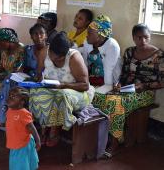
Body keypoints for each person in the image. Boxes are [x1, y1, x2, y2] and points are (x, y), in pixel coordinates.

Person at [93, 24, 164, 153]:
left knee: (116, 103)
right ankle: (103, 135)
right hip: (127, 89)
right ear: (133, 38)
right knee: (99, 96)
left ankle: (115, 142)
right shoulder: (130, 52)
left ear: (150, 37)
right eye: (139, 38)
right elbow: (124, 74)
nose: (143, 41)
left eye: (146, 37)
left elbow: (162, 82)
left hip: (145, 93)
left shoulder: (158, 56)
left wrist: (144, 86)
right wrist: (119, 84)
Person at [29, 32, 94, 147]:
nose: (55, 60)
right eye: (53, 56)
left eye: (59, 58)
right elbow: (39, 75)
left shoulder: (74, 57)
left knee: (61, 95)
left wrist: (64, 85)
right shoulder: (44, 52)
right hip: (53, 89)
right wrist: (36, 82)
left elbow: (85, 85)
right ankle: (44, 128)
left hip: (77, 93)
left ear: (65, 54)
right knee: (36, 93)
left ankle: (56, 130)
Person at [0, 23, 48, 124]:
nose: (38, 36)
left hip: (43, 79)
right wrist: (19, 73)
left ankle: (16, 120)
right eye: (35, 34)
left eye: (41, 33)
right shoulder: (28, 49)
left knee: (17, 89)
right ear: (31, 36)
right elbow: (22, 66)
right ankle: (3, 118)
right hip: (28, 78)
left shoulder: (50, 50)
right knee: (9, 79)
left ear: (46, 35)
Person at [0, 87, 40, 170]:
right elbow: (9, 123)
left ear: (21, 102)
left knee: (19, 165)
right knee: (22, 163)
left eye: (13, 96)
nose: (10, 98)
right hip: (15, 142)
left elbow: (31, 127)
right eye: (10, 95)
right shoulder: (10, 111)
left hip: (23, 143)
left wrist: (38, 141)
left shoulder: (24, 113)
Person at [80, 15, 121, 86]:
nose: (87, 36)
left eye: (89, 33)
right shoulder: (87, 42)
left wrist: (107, 89)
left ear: (100, 36)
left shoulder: (112, 46)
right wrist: (84, 84)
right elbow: (84, 65)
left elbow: (108, 71)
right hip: (92, 79)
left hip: (109, 81)